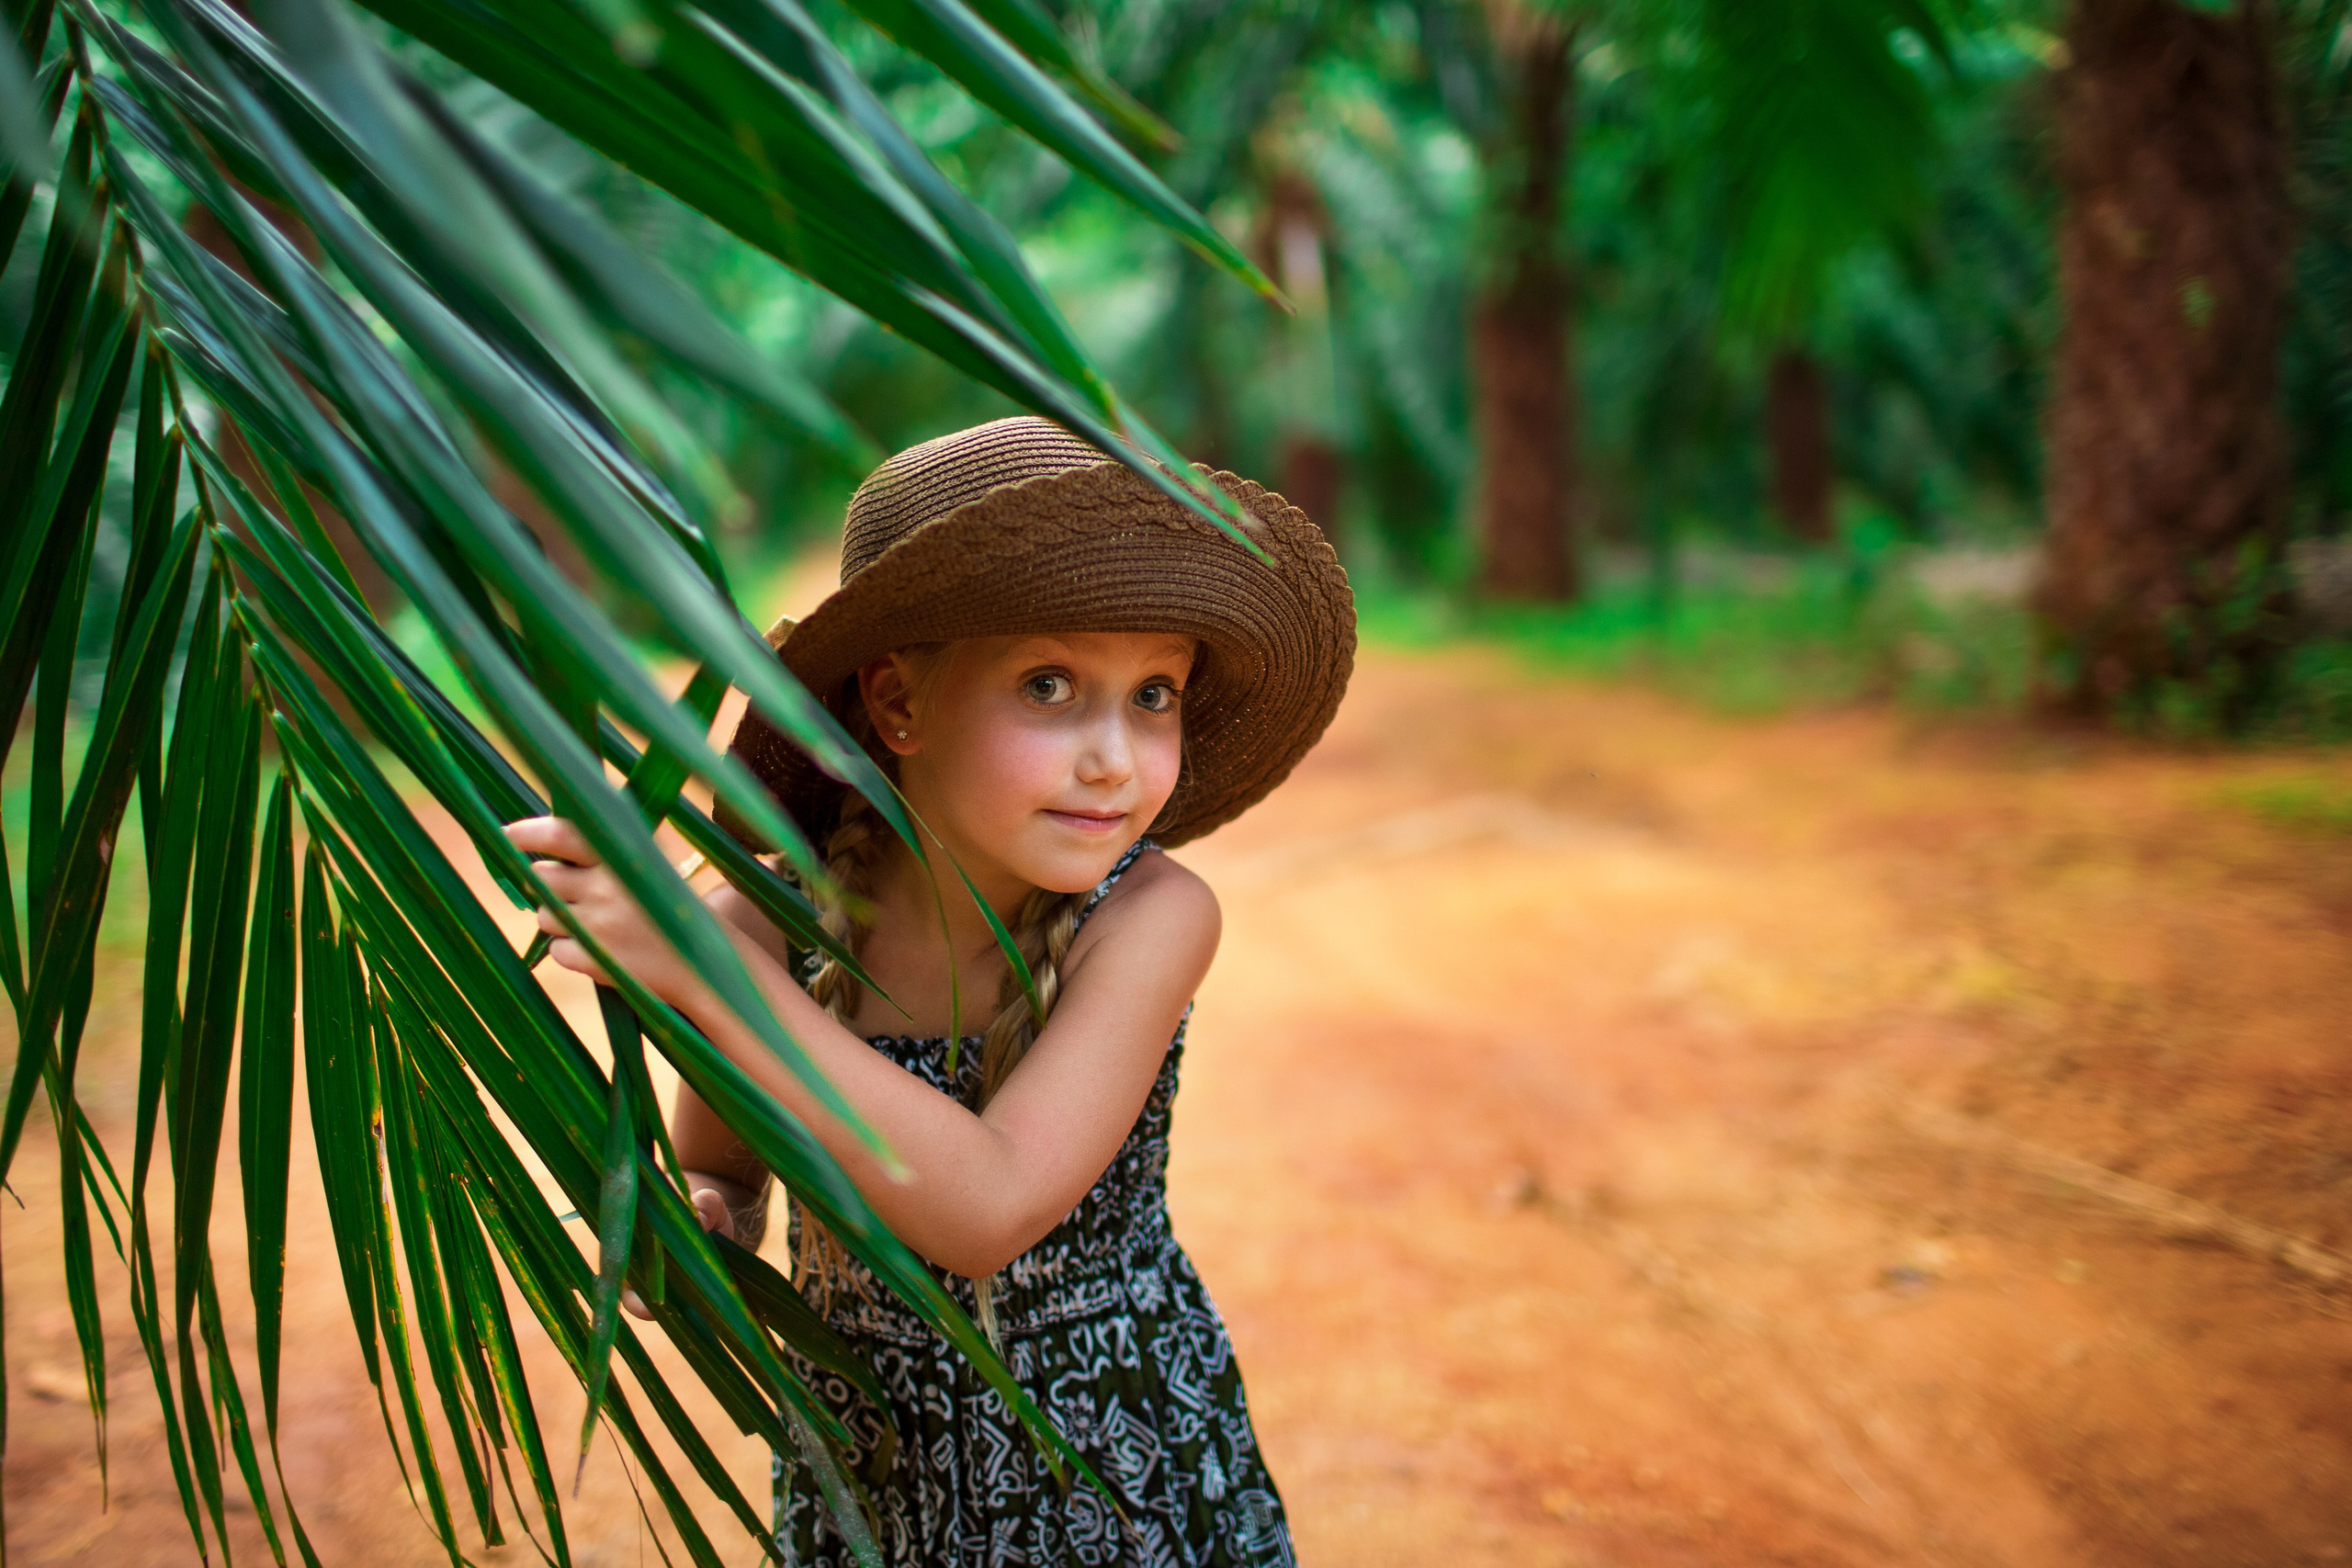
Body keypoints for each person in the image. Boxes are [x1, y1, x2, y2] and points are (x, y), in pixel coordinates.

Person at [508, 416, 1355, 1566]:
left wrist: (710, 983)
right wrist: (703, 1221)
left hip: (1105, 1474)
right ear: (899, 706)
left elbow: (989, 1210)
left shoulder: (1149, 920)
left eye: (1153, 694)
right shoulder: (776, 917)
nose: (1114, 755)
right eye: (1050, 685)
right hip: (869, 1482)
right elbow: (724, 1165)